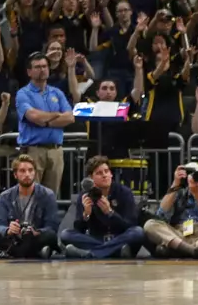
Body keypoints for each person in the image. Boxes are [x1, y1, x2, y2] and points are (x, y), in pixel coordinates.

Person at [61, 156, 146, 258]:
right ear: (91, 178)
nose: (105, 175)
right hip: (98, 239)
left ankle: (91, 254)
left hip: (120, 237)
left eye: (106, 171)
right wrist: (86, 215)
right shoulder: (85, 195)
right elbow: (79, 229)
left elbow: (130, 224)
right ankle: (114, 251)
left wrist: (110, 213)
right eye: (99, 173)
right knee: (65, 234)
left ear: (111, 174)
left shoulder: (124, 192)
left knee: (138, 232)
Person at [14, 53, 76, 193]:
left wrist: (46, 122)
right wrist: (57, 115)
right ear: (29, 72)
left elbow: (70, 117)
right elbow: (33, 116)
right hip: (33, 151)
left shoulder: (57, 93)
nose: (42, 69)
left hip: (56, 151)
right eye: (37, 67)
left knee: (51, 197)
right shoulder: (23, 94)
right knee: (30, 194)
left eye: (44, 66)